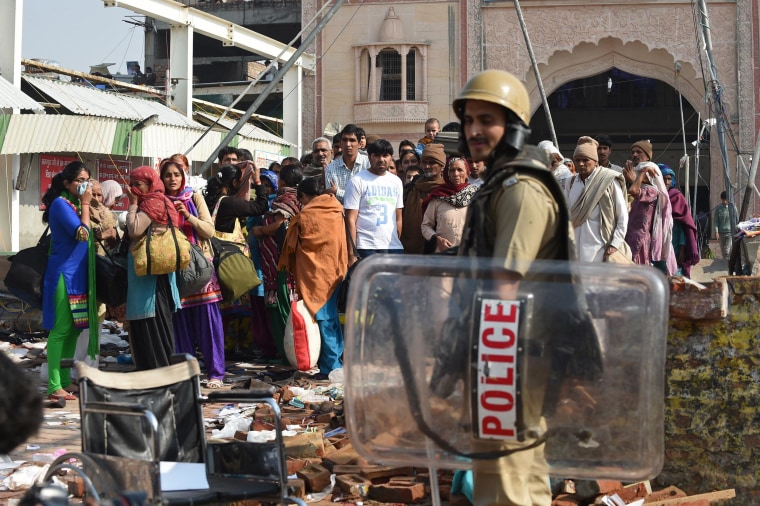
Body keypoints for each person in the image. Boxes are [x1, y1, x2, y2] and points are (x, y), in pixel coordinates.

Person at [454, 69, 573, 506]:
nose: (474, 130)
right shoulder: (499, 184)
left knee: (503, 470)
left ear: (516, 126)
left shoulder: (520, 189)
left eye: (487, 120)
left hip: (508, 347)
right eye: (468, 120)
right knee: (522, 467)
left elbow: (505, 285)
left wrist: (473, 353)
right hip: (506, 347)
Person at [161, 158, 226, 389]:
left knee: (208, 320)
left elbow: (209, 230)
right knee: (181, 323)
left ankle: (216, 373)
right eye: (167, 175)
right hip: (173, 268)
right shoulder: (159, 201)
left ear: (183, 176)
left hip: (200, 267)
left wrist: (187, 216)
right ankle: (187, 372)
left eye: (176, 174)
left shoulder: (193, 197)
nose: (172, 179)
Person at [41, 161, 98, 400]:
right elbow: (82, 234)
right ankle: (54, 386)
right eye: (79, 180)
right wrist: (85, 204)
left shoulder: (73, 205)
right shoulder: (61, 205)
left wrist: (86, 205)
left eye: (87, 179)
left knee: (74, 331)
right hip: (64, 275)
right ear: (67, 183)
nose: (84, 184)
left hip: (78, 276)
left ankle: (64, 380)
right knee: (61, 330)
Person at [279, 177, 347, 377]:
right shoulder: (336, 209)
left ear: (303, 196)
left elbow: (293, 248)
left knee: (324, 319)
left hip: (315, 276)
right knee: (331, 318)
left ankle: (330, 366)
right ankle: (335, 362)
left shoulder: (304, 216)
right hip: (335, 271)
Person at [204, 164, 269, 353]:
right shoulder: (229, 202)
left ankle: (222, 347)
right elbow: (260, 206)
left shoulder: (211, 201)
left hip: (216, 261)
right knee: (238, 308)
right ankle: (238, 347)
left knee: (222, 308)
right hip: (233, 262)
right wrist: (258, 182)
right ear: (233, 183)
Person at [251, 164, 303, 362]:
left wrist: (261, 231)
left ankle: (287, 352)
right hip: (289, 263)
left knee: (283, 309)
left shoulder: (286, 199)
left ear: (281, 182)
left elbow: (280, 223)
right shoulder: (301, 197)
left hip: (281, 264)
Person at [565, 136, 629, 262]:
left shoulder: (608, 180)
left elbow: (622, 216)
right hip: (575, 249)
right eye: (577, 160)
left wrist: (614, 244)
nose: (581, 164)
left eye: (585, 160)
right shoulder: (570, 182)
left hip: (601, 248)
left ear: (595, 161)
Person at [344, 139, 404, 261]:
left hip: (392, 247)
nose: (381, 159)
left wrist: (395, 240)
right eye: (377, 155)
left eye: (385, 155)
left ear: (391, 158)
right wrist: (352, 253)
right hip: (366, 247)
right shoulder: (357, 181)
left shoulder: (396, 181)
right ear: (369, 157)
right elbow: (350, 218)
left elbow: (398, 217)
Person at [624, 159, 677, 274]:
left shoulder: (652, 191)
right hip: (631, 236)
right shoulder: (644, 190)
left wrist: (642, 174)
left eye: (641, 172)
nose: (637, 174)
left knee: (639, 274)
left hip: (640, 239)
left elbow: (633, 190)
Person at [420, 156, 478, 252]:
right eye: (452, 170)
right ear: (447, 174)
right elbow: (425, 226)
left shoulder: (476, 196)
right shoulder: (438, 197)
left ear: (467, 174)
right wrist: (436, 239)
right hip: (442, 254)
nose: (456, 174)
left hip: (468, 253)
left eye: (460, 170)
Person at [401, 143, 446, 254]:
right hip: (412, 249)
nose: (426, 166)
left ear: (441, 165)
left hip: (439, 248)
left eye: (431, 163)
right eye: (424, 162)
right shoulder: (413, 187)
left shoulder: (447, 190)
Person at [659, 164, 700, 277]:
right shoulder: (653, 195)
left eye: (669, 178)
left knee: (675, 275)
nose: (667, 181)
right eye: (664, 178)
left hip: (675, 243)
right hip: (657, 243)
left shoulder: (677, 197)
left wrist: (682, 248)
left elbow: (684, 225)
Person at [324, 124, 370, 204]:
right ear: (341, 143)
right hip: (340, 214)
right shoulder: (330, 168)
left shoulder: (368, 164)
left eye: (352, 140)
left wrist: (338, 192)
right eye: (344, 140)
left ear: (359, 144)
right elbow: (332, 197)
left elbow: (368, 197)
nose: (348, 144)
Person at [714, 190, 736, 259]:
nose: (725, 201)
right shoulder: (718, 209)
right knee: (723, 251)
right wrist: (716, 231)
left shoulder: (732, 207)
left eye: (726, 200)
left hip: (730, 233)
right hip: (721, 233)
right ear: (722, 199)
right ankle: (726, 265)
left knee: (727, 250)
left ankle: (726, 266)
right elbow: (716, 221)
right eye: (724, 200)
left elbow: (736, 219)